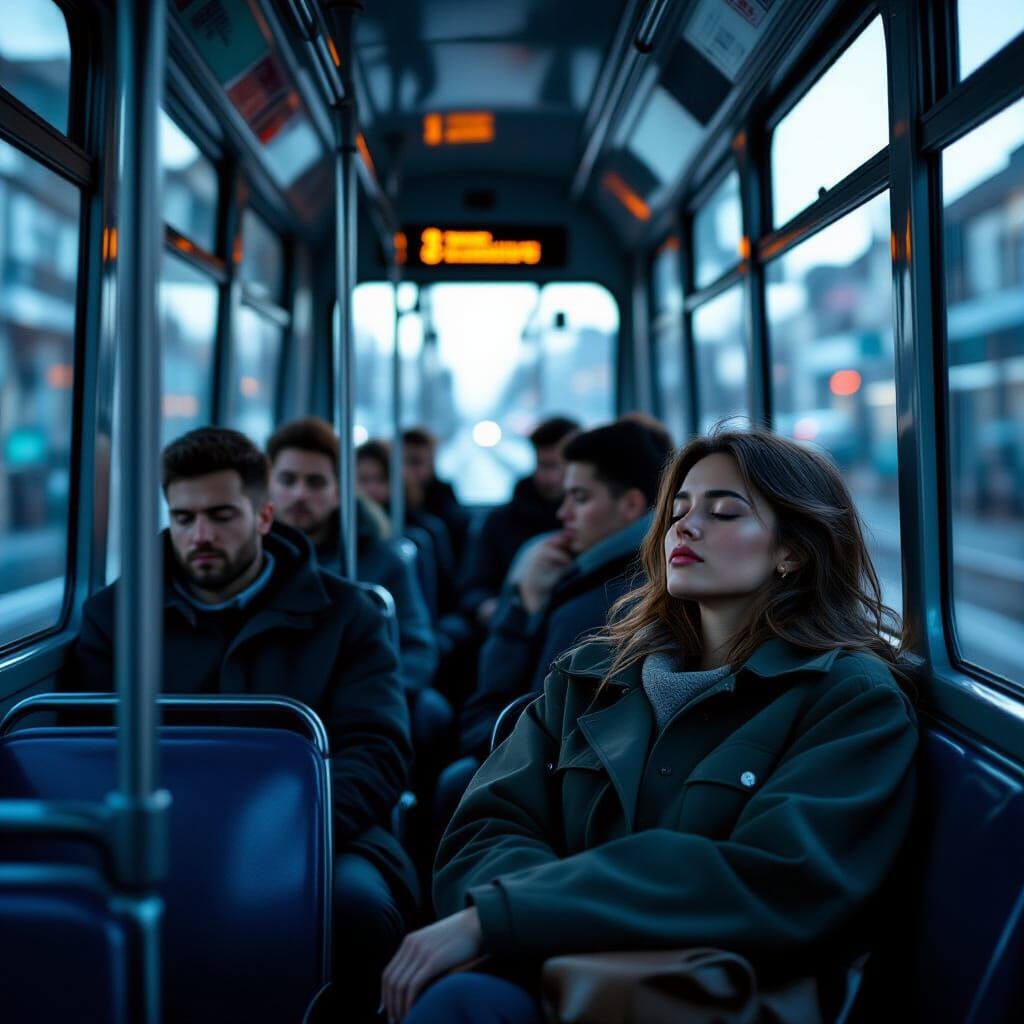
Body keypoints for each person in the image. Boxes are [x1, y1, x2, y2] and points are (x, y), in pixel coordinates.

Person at [382, 427, 918, 1024]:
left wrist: (510, 915)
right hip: (553, 968)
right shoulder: (592, 673)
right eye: (680, 510)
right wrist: (529, 924)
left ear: (792, 551)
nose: (683, 528)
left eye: (723, 512)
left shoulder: (848, 700)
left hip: (710, 991)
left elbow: (775, 878)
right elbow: (486, 823)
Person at [65, 427, 417, 1024]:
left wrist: (289, 832)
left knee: (354, 909)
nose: (199, 537)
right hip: (160, 823)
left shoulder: (346, 615)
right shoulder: (116, 616)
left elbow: (376, 749)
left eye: (221, 515)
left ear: (263, 516)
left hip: (316, 830)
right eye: (183, 518)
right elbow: (85, 744)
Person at [454, 420, 672, 763]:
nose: (563, 513)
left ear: (630, 505)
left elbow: (495, 737)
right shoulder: (643, 578)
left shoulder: (595, 608)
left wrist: (521, 609)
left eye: (579, 498)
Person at [266, 417, 439, 694]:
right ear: (269, 487)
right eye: (287, 480)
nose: (299, 494)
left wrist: (371, 698)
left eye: (315, 482)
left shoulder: (384, 560)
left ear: (338, 491)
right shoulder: (252, 562)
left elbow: (416, 648)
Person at [459, 415, 580, 629]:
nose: (550, 478)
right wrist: (492, 610)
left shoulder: (594, 521)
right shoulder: (500, 522)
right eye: (544, 465)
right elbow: (473, 587)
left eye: (560, 467)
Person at [402, 426, 471, 566]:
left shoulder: (446, 508)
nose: (406, 470)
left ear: (432, 463)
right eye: (401, 462)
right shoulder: (388, 500)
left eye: (415, 462)